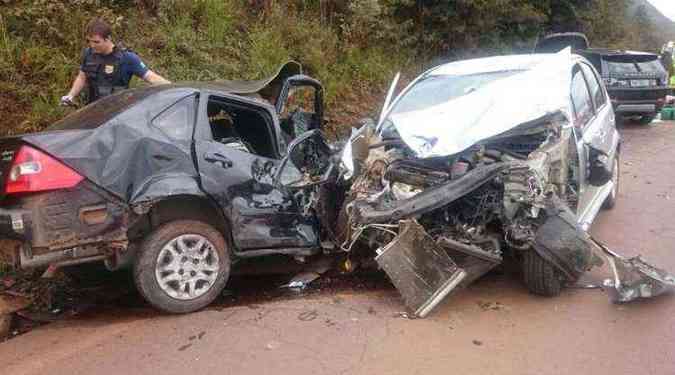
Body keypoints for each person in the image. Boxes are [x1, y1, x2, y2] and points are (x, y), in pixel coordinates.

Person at [61, 18, 170, 105]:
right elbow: (82, 77)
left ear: (107, 39)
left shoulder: (127, 58)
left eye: (96, 42)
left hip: (116, 114)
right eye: (89, 41)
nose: (92, 45)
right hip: (91, 110)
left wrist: (175, 89)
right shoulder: (88, 53)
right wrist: (71, 95)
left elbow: (151, 77)